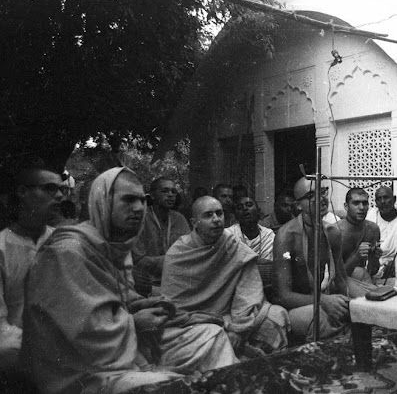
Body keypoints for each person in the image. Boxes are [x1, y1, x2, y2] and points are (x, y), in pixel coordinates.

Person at [22, 167, 237, 394]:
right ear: (103, 202)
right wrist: (135, 322)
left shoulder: (111, 246)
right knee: (172, 386)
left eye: (142, 200)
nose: (138, 208)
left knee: (209, 335)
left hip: (123, 346)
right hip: (80, 371)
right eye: (128, 200)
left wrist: (150, 304)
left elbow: (119, 298)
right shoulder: (66, 252)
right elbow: (83, 334)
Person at [162, 196, 289, 357]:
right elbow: (174, 306)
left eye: (219, 214)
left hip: (232, 314)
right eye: (208, 215)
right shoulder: (179, 252)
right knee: (207, 334)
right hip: (195, 320)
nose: (216, 219)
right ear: (194, 222)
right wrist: (214, 321)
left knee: (275, 315)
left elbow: (249, 290)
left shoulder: (232, 244)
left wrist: (238, 327)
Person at [0, 166, 64, 370]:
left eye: (63, 190)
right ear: (22, 192)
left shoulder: (65, 242)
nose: (61, 196)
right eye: (50, 188)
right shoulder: (2, 247)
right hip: (18, 357)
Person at [272, 177, 351, 343]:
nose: (320, 198)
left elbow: (342, 281)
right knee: (321, 318)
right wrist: (323, 301)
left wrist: (352, 303)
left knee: (360, 308)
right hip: (295, 308)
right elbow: (284, 296)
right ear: (298, 205)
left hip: (324, 299)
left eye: (323, 192)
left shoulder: (332, 233)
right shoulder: (286, 236)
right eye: (311, 195)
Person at [132, 176, 190, 296]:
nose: (170, 195)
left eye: (173, 192)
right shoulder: (141, 218)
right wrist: (174, 260)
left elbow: (189, 254)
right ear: (152, 195)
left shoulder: (179, 219)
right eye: (165, 191)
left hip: (177, 282)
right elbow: (138, 261)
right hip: (147, 285)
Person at [327, 188, 381, 281]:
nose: (361, 207)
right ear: (346, 206)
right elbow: (334, 278)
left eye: (365, 203)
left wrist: (375, 258)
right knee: (359, 272)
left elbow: (372, 271)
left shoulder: (373, 229)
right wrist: (356, 257)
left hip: (363, 280)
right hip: (338, 285)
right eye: (356, 203)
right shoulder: (335, 231)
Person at [365, 185, 397, 279]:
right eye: (379, 199)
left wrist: (396, 262)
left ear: (394, 199)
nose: (382, 202)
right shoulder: (369, 218)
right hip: (371, 268)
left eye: (386, 197)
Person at [229, 196, 275, 261]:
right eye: (239, 207)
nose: (245, 208)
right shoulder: (229, 235)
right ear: (236, 215)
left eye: (249, 205)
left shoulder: (268, 235)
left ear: (258, 211)